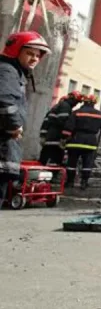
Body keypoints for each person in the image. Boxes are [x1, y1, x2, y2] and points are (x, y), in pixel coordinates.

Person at [0, 31, 50, 205]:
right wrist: (14, 125)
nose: (35, 58)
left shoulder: (14, 71)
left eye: (38, 55)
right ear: (15, 50)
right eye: (29, 53)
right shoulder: (7, 71)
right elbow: (5, 99)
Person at [62, 94, 101, 189]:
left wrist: (64, 138)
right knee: (87, 163)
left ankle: (70, 182)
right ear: (94, 103)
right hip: (90, 142)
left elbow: (68, 127)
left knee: (72, 163)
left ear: (84, 102)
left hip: (75, 141)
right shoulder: (100, 114)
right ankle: (84, 183)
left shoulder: (76, 113)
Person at [39, 91, 82, 166]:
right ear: (72, 99)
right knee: (55, 161)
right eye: (76, 102)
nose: (76, 104)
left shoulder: (57, 106)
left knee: (44, 160)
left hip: (50, 138)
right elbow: (63, 122)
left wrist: (43, 135)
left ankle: (40, 175)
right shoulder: (66, 106)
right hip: (57, 139)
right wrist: (66, 136)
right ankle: (52, 176)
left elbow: (46, 122)